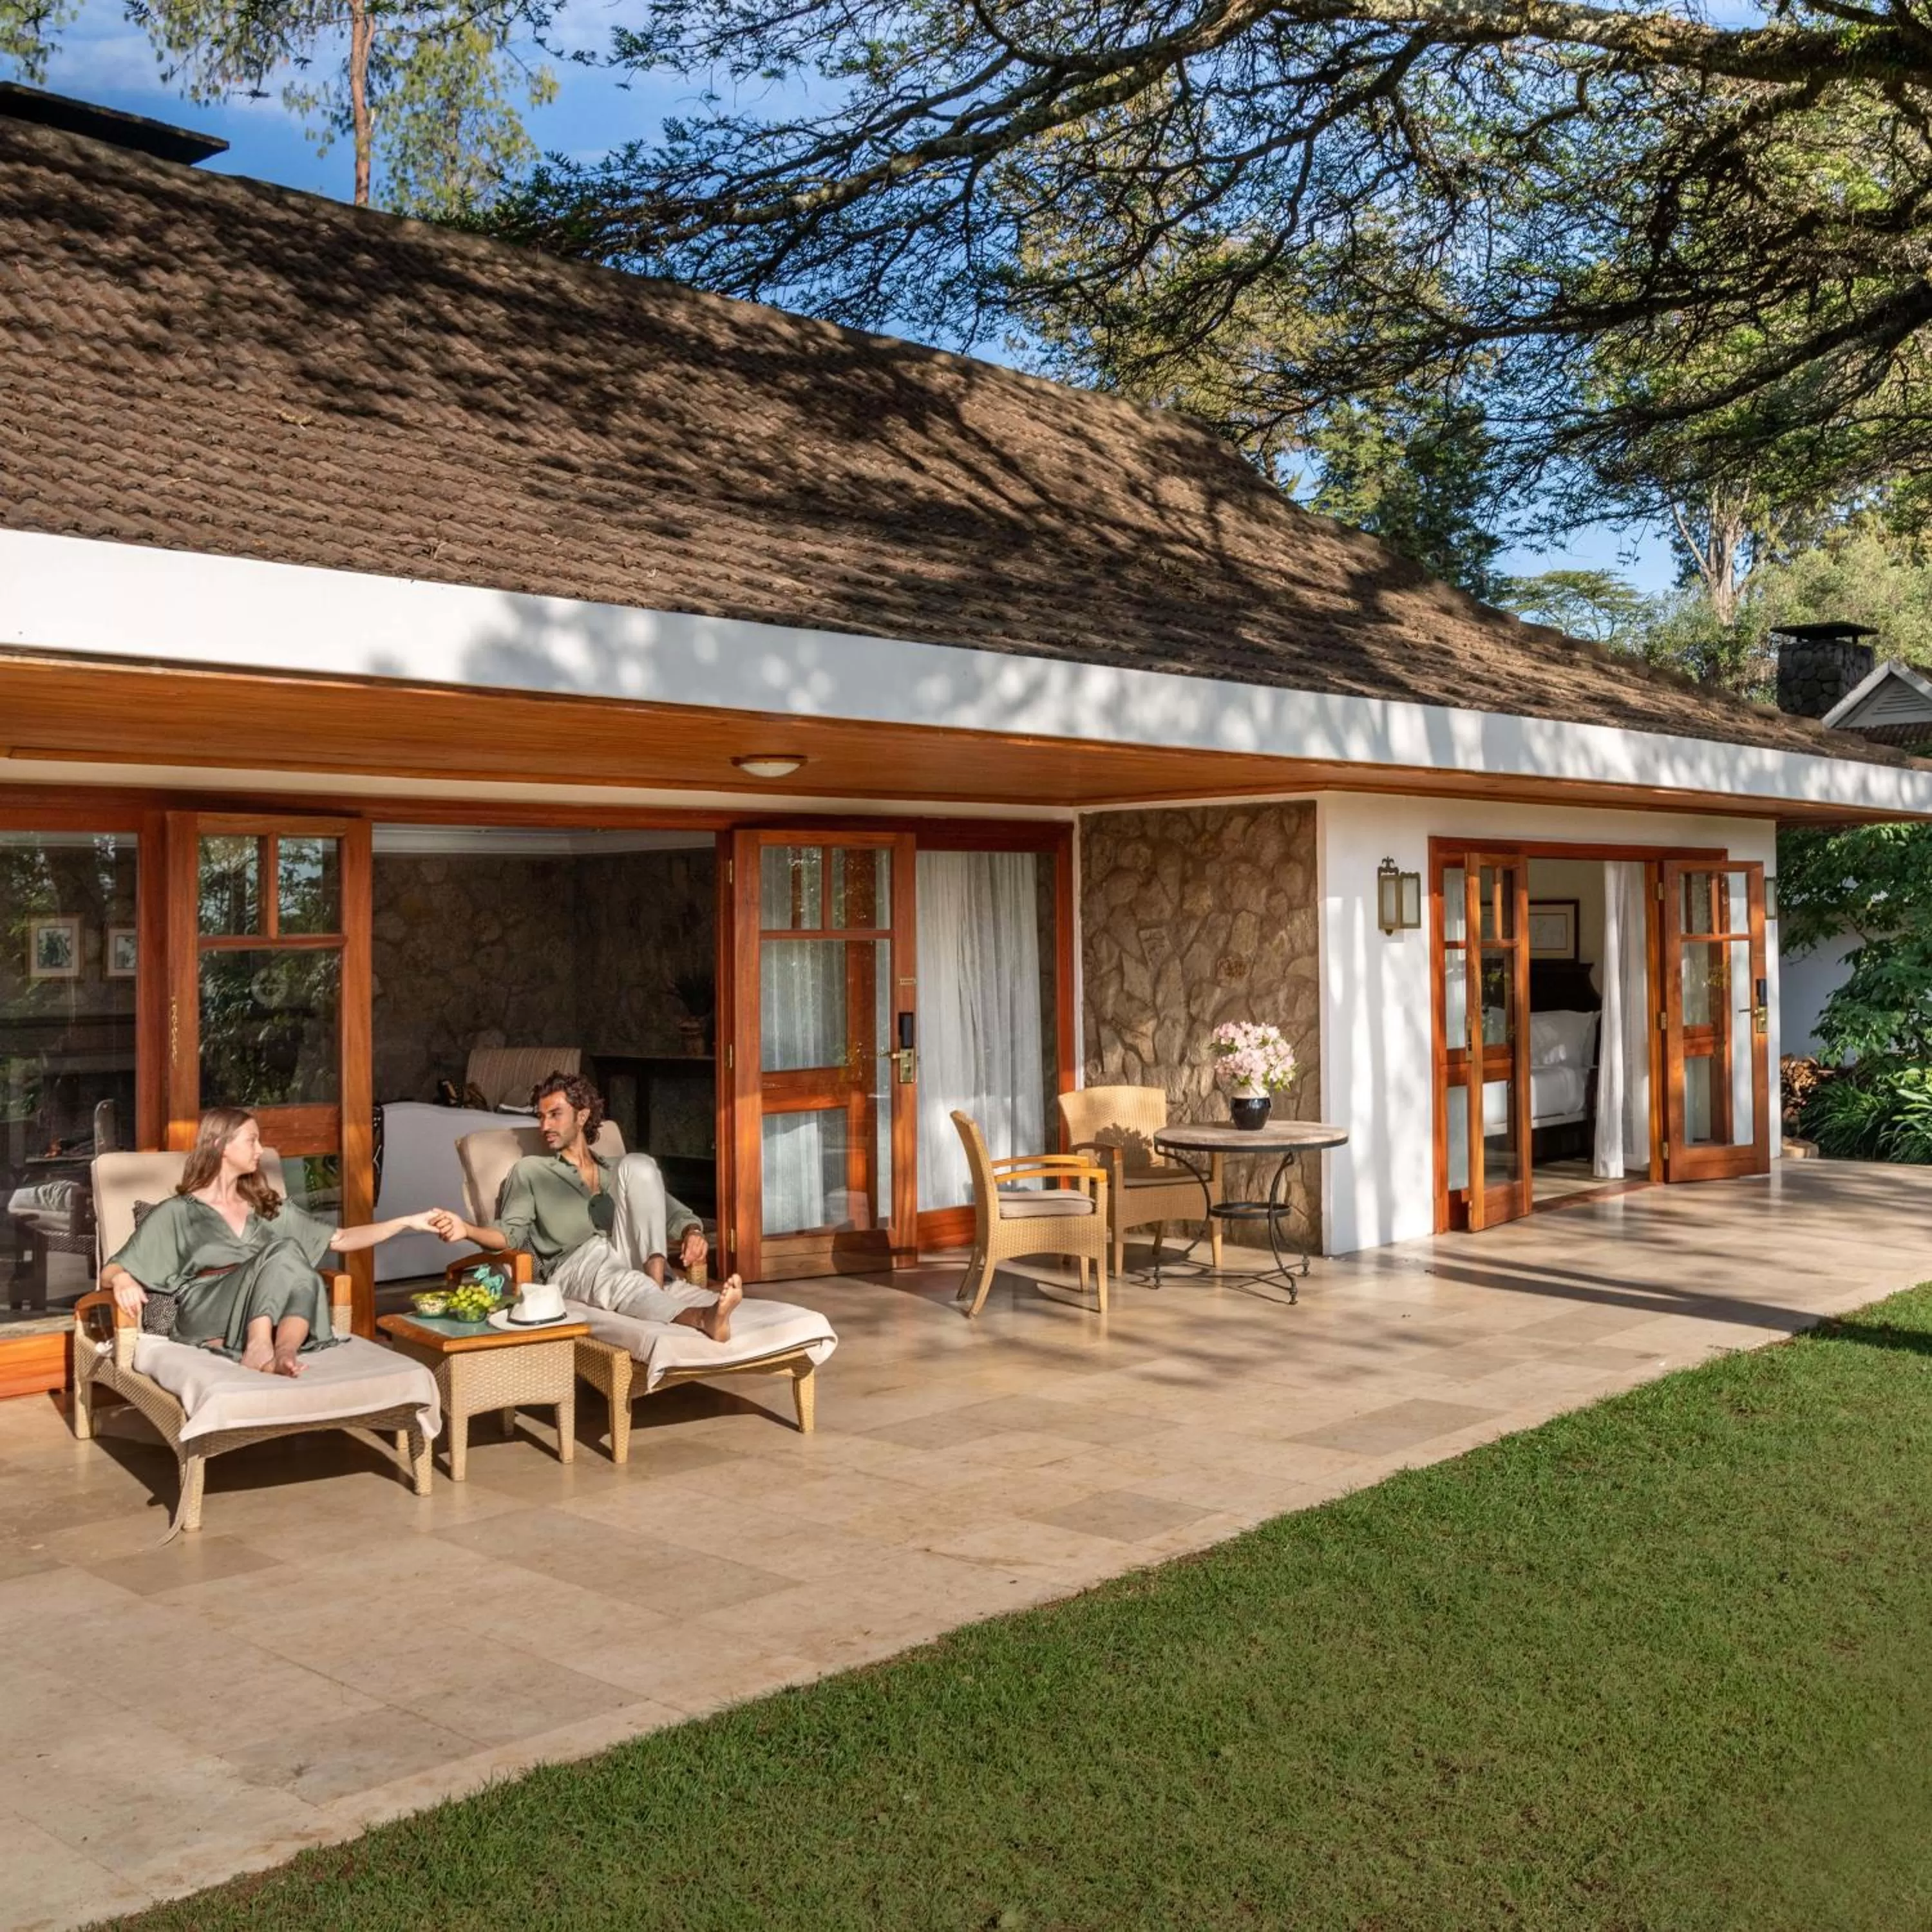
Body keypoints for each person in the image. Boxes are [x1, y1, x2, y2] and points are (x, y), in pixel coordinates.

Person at [100, 1107, 450, 1378]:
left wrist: (407, 1222)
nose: (261, 1149)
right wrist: (122, 1278)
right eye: (252, 1140)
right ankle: (257, 1347)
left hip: (266, 1304)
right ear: (221, 1145)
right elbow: (112, 1268)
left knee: (301, 1270)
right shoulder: (179, 1212)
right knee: (286, 1251)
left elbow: (342, 1239)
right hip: (208, 1307)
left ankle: (283, 1354)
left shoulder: (266, 1207)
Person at [426, 1070, 743, 1342]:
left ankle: (656, 1284)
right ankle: (703, 1318)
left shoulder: (618, 1171)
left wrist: (692, 1232)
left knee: (641, 1164)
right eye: (541, 1116)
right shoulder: (532, 1171)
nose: (544, 1126)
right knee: (620, 1277)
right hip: (575, 1264)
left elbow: (675, 1213)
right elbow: (509, 1235)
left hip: (633, 1255)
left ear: (582, 1116)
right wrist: (466, 1229)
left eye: (555, 1114)